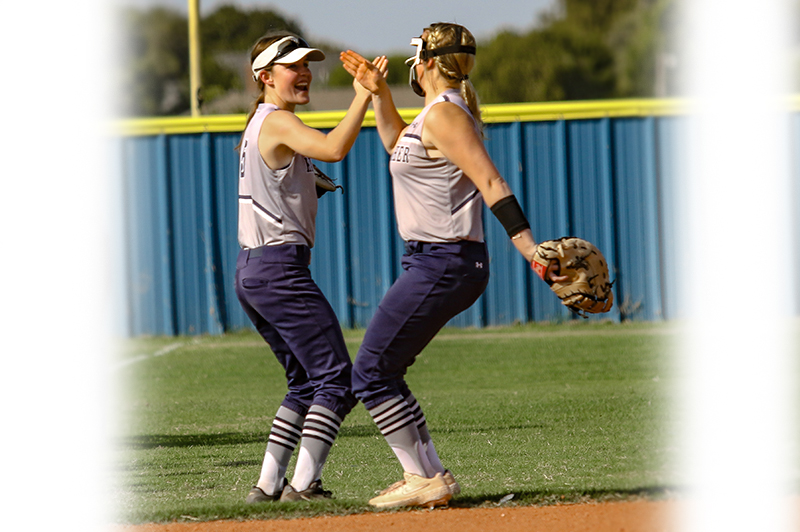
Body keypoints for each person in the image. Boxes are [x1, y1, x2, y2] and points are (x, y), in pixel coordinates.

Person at [341, 23, 566, 509]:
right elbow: (397, 144)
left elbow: (490, 180)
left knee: (370, 372)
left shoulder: (445, 115)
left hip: (444, 259)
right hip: (434, 260)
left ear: (423, 63)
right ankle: (429, 475)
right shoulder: (433, 116)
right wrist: (379, 94)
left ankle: (420, 477)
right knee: (385, 370)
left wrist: (528, 248)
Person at [235, 32, 383, 503]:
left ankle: (266, 485)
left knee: (304, 382)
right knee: (337, 378)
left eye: (306, 64)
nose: (304, 73)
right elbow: (335, 148)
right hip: (278, 268)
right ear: (265, 76)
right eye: (292, 65)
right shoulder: (276, 121)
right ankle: (302, 486)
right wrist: (363, 94)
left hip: (254, 269)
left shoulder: (261, 122)